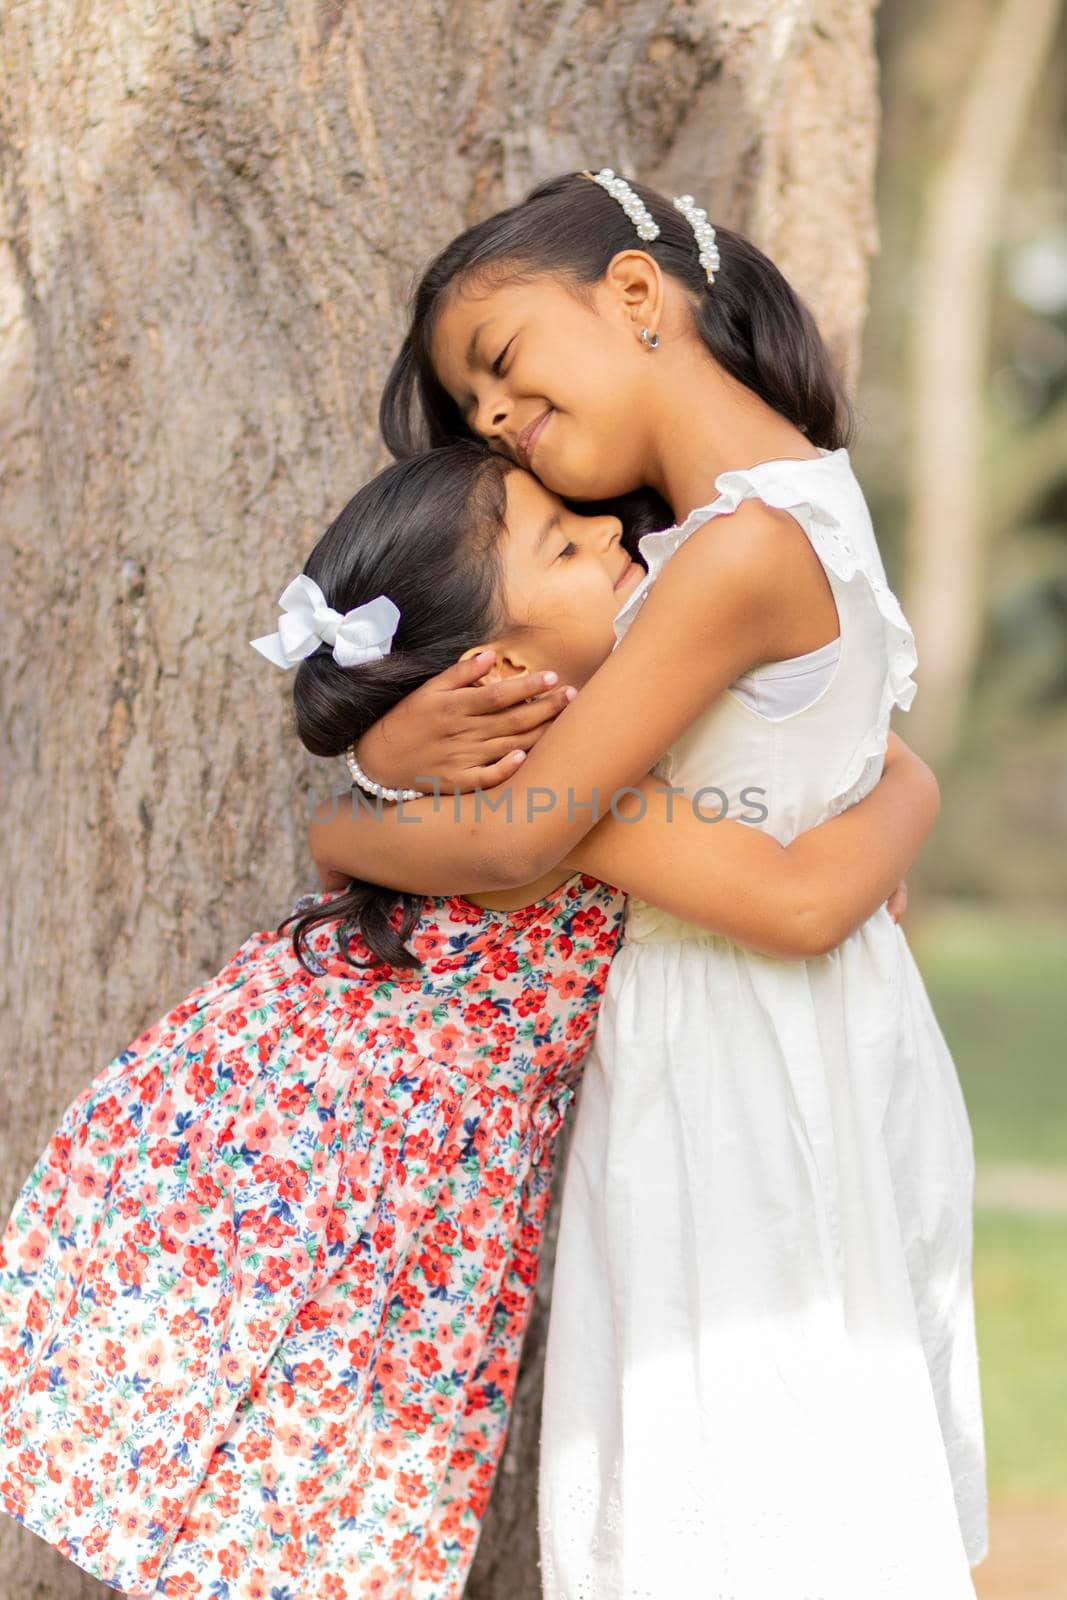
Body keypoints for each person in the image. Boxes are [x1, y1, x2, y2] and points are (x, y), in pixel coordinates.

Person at [0, 444, 933, 1600]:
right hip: (326, 1159)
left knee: (292, 1497)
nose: (615, 538)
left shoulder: (594, 734)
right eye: (563, 542)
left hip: (363, 1142)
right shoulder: (552, 772)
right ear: (493, 670)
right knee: (289, 1480)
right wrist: (907, 801)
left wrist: (364, 794)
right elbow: (805, 888)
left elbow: (821, 778)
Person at [309, 172, 987, 1597]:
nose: (490, 420)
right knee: (780, 1471)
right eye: (472, 408)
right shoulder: (771, 514)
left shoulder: (733, 552)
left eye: (497, 366)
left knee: (742, 1478)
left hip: (740, 1053)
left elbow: (514, 843)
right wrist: (903, 798)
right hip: (790, 1034)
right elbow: (847, 793)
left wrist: (352, 822)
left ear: (632, 296)